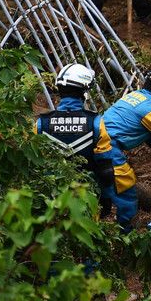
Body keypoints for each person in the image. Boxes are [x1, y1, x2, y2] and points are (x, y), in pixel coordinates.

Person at [94, 66, 151, 231]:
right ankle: (126, 235)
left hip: (98, 143)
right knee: (127, 192)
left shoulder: (134, 96)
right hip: (109, 148)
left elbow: (149, 137)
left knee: (102, 189)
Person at [35, 63, 105, 201]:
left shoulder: (41, 123)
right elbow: (106, 166)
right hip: (86, 196)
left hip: (51, 198)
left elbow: (35, 162)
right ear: (84, 93)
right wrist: (106, 199)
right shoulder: (96, 122)